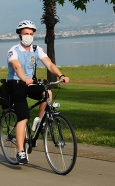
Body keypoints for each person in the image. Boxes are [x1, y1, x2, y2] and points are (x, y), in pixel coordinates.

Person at [7, 20, 70, 164]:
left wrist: (61, 75)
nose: (28, 36)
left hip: (30, 84)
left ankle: (39, 121)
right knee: (23, 117)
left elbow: (49, 63)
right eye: (25, 34)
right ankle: (20, 152)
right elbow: (16, 66)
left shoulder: (37, 49)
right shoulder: (13, 51)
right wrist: (24, 78)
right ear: (19, 35)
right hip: (16, 84)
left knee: (47, 93)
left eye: (31, 34)